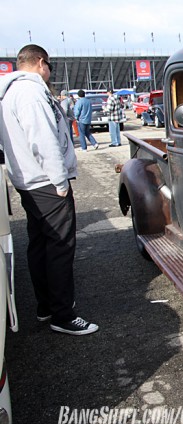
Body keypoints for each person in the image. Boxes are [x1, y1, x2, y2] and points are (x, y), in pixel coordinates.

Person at [0, 44, 99, 335]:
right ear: (41, 62)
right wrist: (60, 181)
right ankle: (63, 314)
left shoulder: (10, 92)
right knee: (60, 247)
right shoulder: (31, 93)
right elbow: (43, 140)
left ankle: (46, 306)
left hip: (27, 179)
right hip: (45, 181)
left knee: (40, 244)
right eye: (49, 67)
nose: (49, 73)